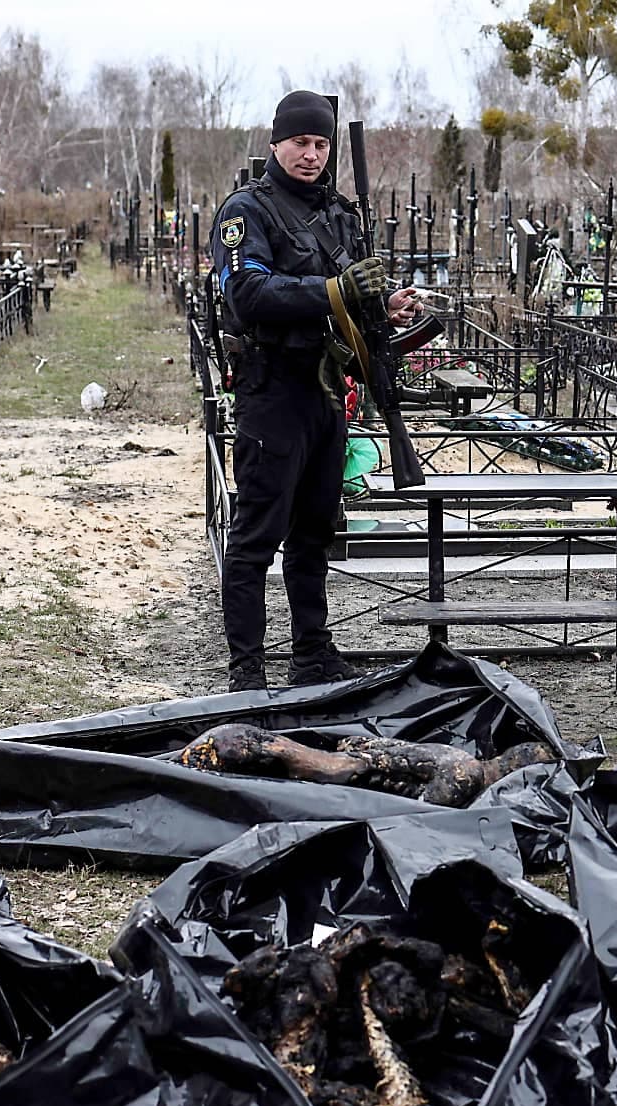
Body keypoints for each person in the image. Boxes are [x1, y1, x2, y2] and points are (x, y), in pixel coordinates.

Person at [210, 90, 421, 692]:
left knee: (314, 535)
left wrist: (385, 305)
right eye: (300, 142)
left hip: (327, 393)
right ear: (276, 142)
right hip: (272, 393)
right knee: (256, 539)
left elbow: (355, 296)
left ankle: (313, 656)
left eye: (321, 143)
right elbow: (248, 293)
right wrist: (333, 289)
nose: (310, 154)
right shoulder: (246, 213)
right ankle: (247, 670)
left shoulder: (341, 215)